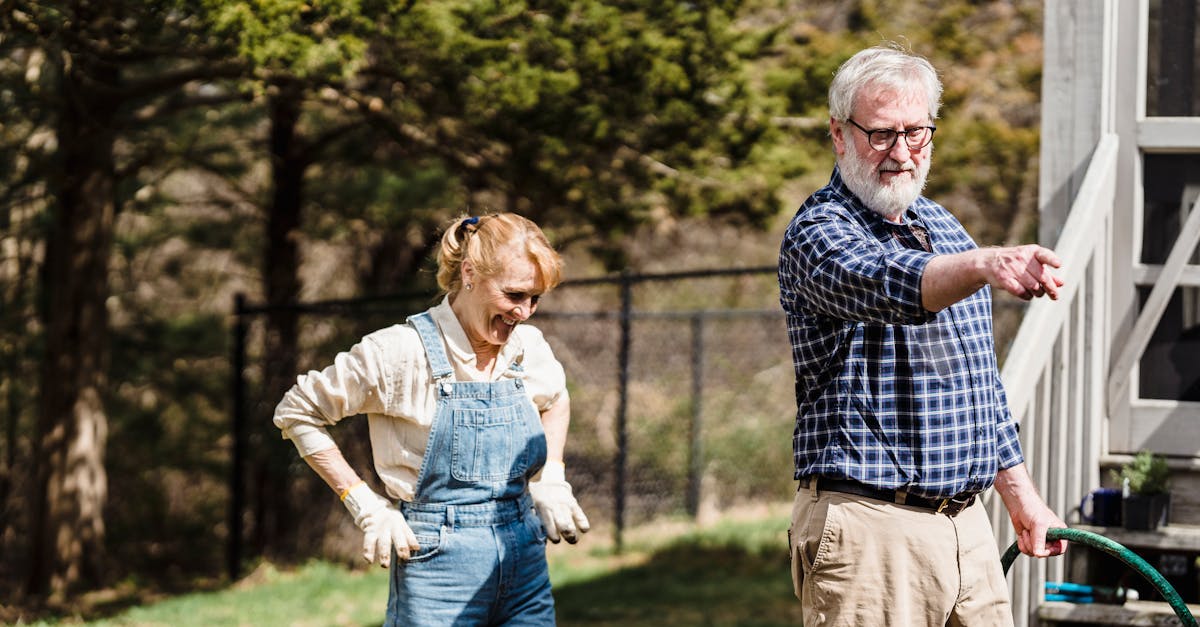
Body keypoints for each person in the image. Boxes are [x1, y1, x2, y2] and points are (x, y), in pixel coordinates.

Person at [777, 44, 1068, 626]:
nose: (901, 153)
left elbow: (977, 384)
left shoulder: (944, 225)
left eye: (917, 133)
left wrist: (1022, 498)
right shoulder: (817, 232)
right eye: (881, 134)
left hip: (968, 528)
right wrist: (986, 265)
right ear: (839, 134)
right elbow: (890, 286)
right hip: (869, 531)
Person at [273, 212, 590, 626]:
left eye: (535, 298)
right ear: (471, 273)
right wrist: (363, 503)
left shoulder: (528, 347)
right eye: (514, 295)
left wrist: (551, 475)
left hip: (524, 556)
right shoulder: (398, 353)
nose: (525, 312)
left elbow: (556, 397)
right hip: (437, 566)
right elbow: (297, 412)